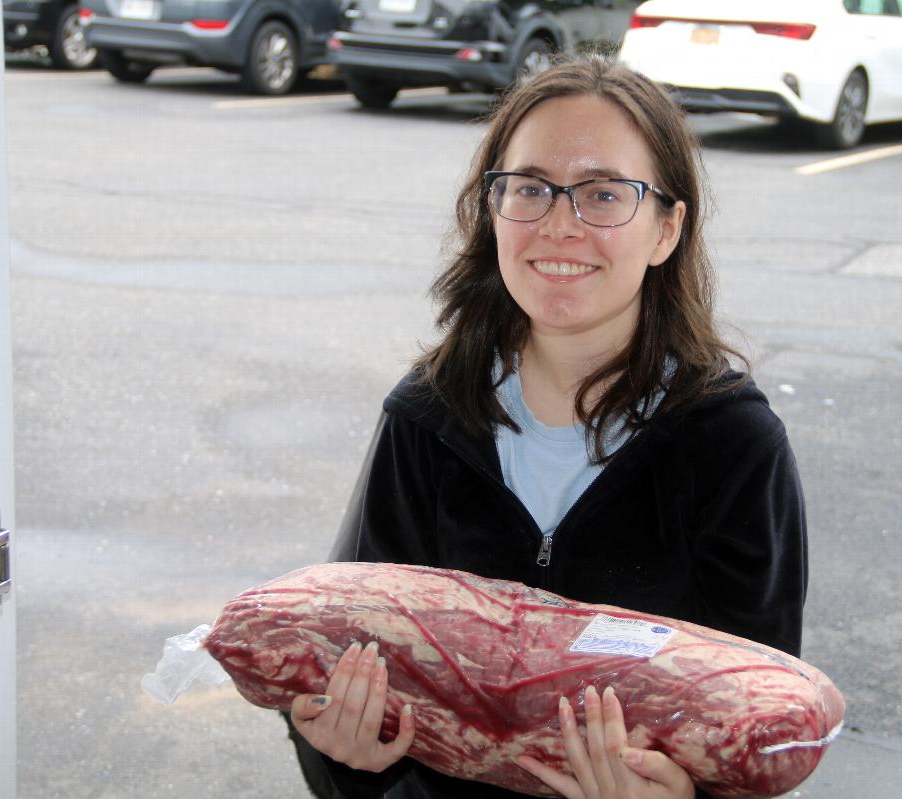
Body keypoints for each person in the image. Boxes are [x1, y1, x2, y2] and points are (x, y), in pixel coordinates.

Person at [288, 56, 808, 799]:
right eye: (529, 188)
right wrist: (347, 752)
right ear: (490, 210)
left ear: (667, 228)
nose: (560, 225)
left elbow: (766, 731)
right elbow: (352, 666)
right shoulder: (427, 418)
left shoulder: (732, 447)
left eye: (603, 194)